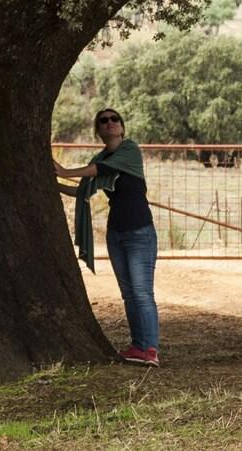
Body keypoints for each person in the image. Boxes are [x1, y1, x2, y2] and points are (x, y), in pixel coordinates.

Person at [54, 108, 159, 366]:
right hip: (117, 233)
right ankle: (137, 346)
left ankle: (150, 350)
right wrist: (52, 182)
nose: (110, 123)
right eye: (104, 121)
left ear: (122, 127)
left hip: (139, 231)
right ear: (99, 131)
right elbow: (83, 191)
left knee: (142, 292)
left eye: (114, 119)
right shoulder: (100, 158)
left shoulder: (129, 151)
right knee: (129, 293)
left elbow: (97, 170)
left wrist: (64, 171)